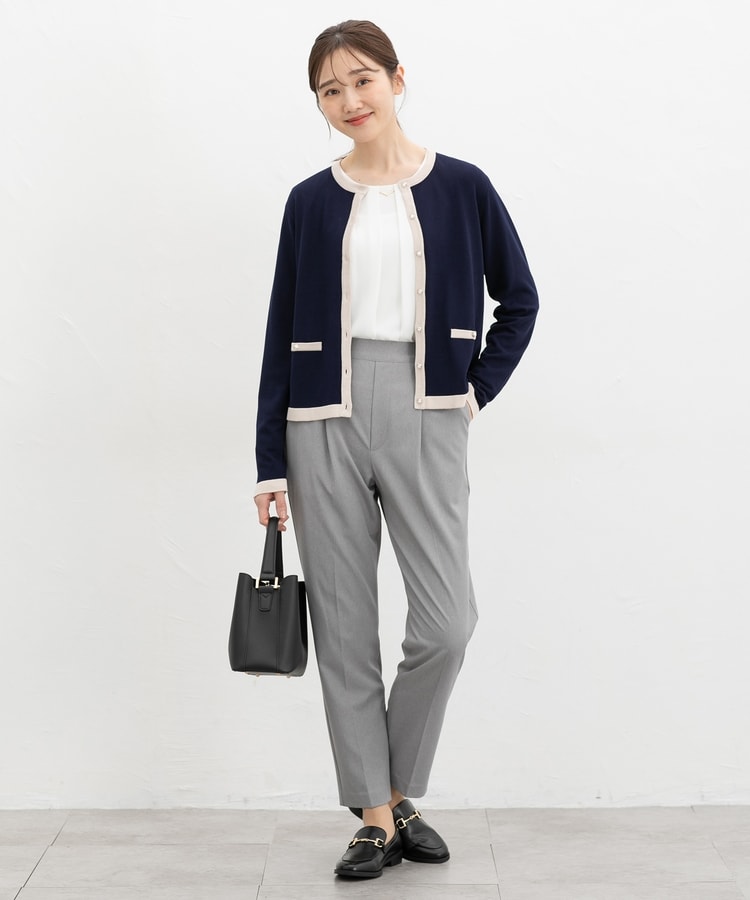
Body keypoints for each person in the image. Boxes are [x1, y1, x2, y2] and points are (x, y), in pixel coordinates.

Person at [253, 20, 538, 880]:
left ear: (397, 79)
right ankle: (376, 817)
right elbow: (279, 332)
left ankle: (396, 786)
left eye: (362, 80)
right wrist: (269, 462)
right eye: (330, 90)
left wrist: (473, 391)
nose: (350, 100)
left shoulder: (463, 186)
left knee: (447, 624)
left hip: (428, 408)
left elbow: (519, 301)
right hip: (321, 418)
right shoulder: (309, 201)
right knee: (344, 629)